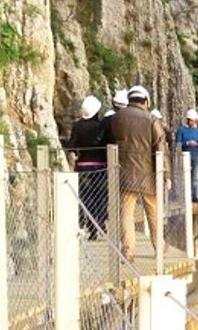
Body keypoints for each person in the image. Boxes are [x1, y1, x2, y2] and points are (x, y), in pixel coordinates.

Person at [108, 84, 169, 259]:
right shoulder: (151, 119)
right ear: (146, 101)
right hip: (148, 173)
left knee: (126, 213)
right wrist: (166, 174)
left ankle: (128, 251)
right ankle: (159, 247)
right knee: (153, 211)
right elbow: (161, 147)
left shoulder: (117, 118)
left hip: (125, 172)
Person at [65, 95, 109, 238]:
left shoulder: (77, 126)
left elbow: (71, 146)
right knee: (100, 197)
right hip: (100, 167)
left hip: (82, 166)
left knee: (85, 197)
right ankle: (100, 223)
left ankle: (90, 227)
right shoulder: (100, 126)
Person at [174, 110, 198, 201]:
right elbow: (178, 143)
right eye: (192, 120)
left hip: (196, 154)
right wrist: (188, 143)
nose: (193, 122)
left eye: (194, 121)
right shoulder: (181, 130)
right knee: (185, 175)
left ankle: (194, 196)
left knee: (195, 176)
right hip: (185, 154)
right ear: (188, 120)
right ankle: (184, 196)